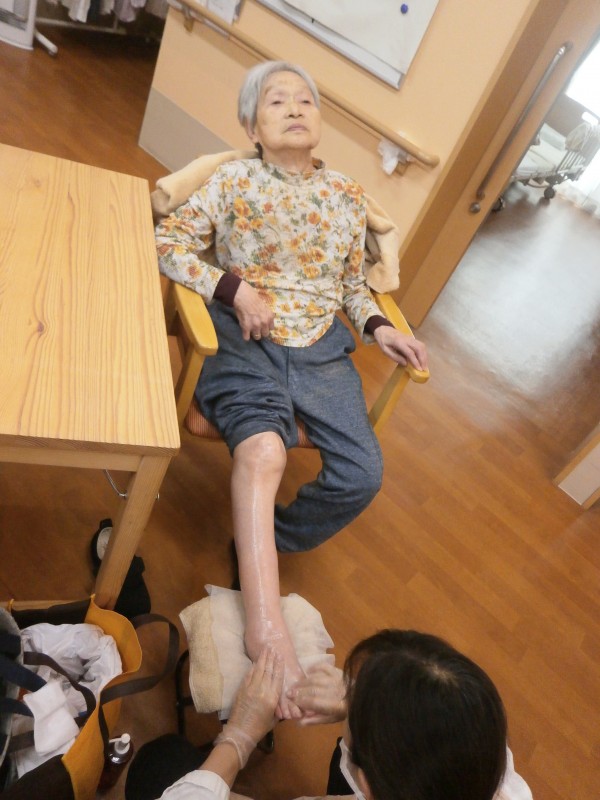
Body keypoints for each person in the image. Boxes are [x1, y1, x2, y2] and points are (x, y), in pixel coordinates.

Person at [155, 60, 428, 718]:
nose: (296, 108)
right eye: (277, 101)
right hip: (245, 337)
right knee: (265, 450)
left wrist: (378, 327)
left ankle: (268, 540)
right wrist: (235, 289)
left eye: (306, 100)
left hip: (321, 350)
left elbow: (352, 286)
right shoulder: (233, 181)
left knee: (363, 474)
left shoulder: (344, 195)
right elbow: (168, 242)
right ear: (252, 127)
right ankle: (265, 627)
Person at [125, 629, 530, 800]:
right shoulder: (488, 768)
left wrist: (238, 738)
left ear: (368, 785)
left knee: (161, 765)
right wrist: (362, 703)